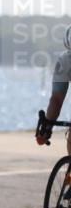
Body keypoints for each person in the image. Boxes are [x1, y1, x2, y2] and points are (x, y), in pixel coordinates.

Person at [37, 25, 71, 157]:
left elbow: (56, 99)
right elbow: (56, 100)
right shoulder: (65, 61)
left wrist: (46, 128)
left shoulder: (65, 60)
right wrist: (46, 128)